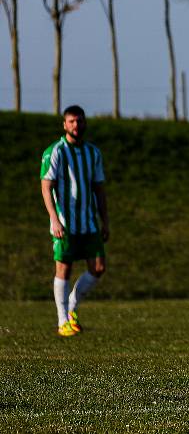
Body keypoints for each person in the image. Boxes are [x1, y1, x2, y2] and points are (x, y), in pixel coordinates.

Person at [40, 105, 109, 337]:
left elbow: (99, 189)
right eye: (71, 121)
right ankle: (62, 322)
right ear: (64, 124)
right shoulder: (55, 151)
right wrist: (54, 219)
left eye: (79, 121)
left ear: (85, 122)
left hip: (88, 222)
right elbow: (46, 186)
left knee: (98, 267)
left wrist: (105, 221)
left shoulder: (93, 153)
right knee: (64, 268)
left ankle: (71, 307)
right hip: (65, 222)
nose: (76, 125)